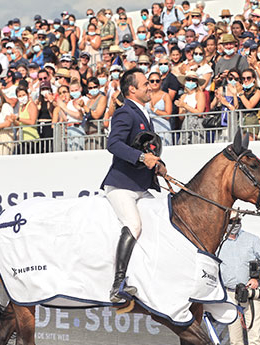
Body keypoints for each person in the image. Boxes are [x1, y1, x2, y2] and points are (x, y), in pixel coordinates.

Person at [100, 68, 166, 303]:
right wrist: (141, 158)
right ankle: (118, 285)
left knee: (160, 222)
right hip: (122, 185)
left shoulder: (144, 113)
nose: (151, 86)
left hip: (141, 184)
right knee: (134, 225)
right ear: (132, 89)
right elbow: (114, 144)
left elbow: (145, 148)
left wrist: (157, 163)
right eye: (146, 83)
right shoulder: (125, 113)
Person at [218, 214, 260, 345]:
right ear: (225, 221)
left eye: (237, 221)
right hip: (229, 293)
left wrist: (256, 278)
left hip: (250, 292)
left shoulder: (252, 239)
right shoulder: (218, 241)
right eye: (231, 221)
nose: (234, 224)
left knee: (255, 338)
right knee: (235, 340)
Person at [175, 70, 207, 144]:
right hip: (185, 124)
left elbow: (200, 112)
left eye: (194, 80)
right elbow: (181, 117)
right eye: (188, 79)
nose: (191, 81)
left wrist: (185, 106)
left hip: (197, 124)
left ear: (197, 82)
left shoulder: (199, 94)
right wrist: (182, 108)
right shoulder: (183, 96)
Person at [145, 71, 174, 145]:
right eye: (152, 81)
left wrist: (154, 110)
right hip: (149, 128)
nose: (155, 83)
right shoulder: (145, 96)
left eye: (157, 81)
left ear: (161, 82)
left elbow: (168, 115)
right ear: (148, 82)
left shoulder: (165, 95)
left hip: (163, 128)